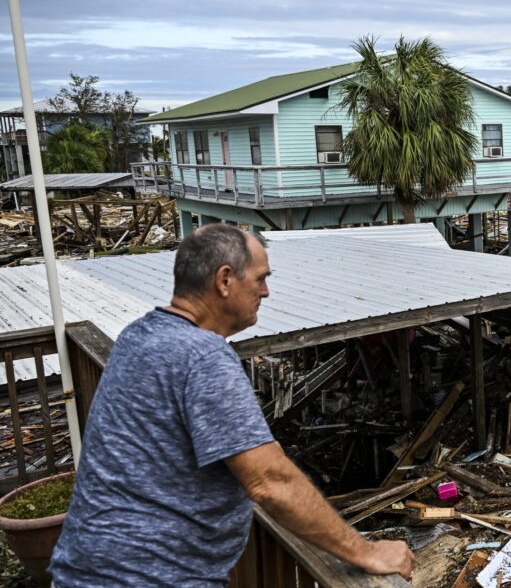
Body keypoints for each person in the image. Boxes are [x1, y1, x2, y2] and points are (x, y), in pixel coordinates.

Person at [51, 224, 413, 586]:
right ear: (224, 280)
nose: (266, 291)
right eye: (260, 279)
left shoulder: (139, 335)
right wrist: (366, 552)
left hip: (84, 570)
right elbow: (270, 481)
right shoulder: (203, 356)